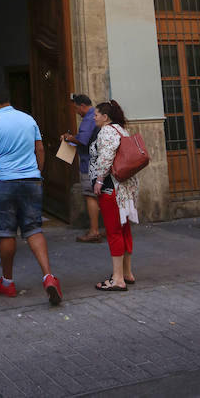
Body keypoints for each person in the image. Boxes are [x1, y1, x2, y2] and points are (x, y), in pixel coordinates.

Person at [0, 87, 63, 305]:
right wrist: (37, 173)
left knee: (6, 232)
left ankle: (7, 282)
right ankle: (48, 277)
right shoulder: (29, 120)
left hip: (3, 182)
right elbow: (40, 150)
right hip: (31, 180)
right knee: (34, 228)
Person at [89, 99, 139, 292]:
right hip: (124, 189)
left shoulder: (107, 131)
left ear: (105, 117)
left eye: (96, 115)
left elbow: (106, 156)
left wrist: (99, 179)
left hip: (112, 188)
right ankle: (127, 272)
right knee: (124, 229)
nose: (93, 118)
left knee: (113, 231)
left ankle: (118, 278)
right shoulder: (120, 129)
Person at [60, 94, 102, 243]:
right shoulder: (97, 116)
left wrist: (69, 138)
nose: (77, 111)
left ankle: (94, 231)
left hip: (89, 163)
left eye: (77, 108)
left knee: (90, 195)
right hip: (97, 162)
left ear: (83, 106)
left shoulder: (89, 118)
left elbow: (83, 140)